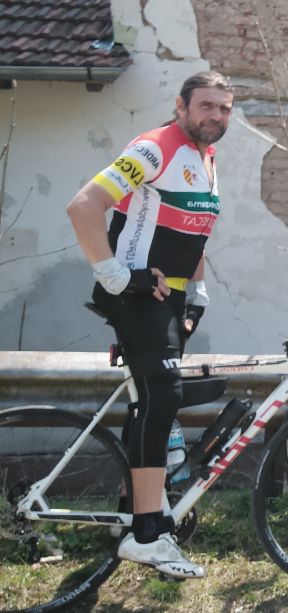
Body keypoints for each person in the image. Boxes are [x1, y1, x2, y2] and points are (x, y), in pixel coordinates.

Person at [67, 70, 234, 579]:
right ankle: (147, 534)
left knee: (149, 402)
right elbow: (84, 206)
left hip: (170, 298)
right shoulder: (155, 147)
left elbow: (193, 233)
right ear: (181, 107)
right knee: (162, 397)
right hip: (137, 293)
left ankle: (129, 515)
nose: (216, 116)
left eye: (225, 108)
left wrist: (197, 293)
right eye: (206, 106)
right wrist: (115, 275)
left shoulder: (206, 158)